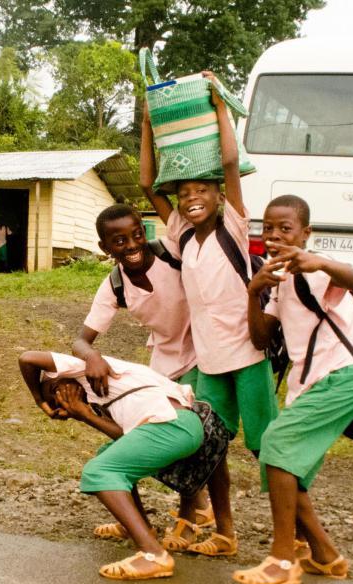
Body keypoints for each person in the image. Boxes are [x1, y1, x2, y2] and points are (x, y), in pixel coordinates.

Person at [139, 71, 278, 557]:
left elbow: (229, 160)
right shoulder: (183, 236)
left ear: (220, 195)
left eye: (202, 189)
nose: (192, 197)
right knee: (208, 447)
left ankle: (299, 538)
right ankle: (225, 532)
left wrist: (219, 103)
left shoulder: (234, 227)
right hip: (210, 363)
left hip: (248, 358)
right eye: (184, 193)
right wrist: (146, 120)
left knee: (267, 447)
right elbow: (144, 181)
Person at [233, 194, 353, 584]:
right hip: (309, 385)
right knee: (293, 474)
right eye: (267, 228)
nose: (274, 235)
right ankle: (326, 557)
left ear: (306, 233)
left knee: (275, 444)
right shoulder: (280, 282)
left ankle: (282, 559)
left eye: (285, 228)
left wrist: (321, 261)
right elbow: (261, 338)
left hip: (342, 377)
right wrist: (252, 292)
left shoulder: (315, 269)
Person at [72, 203, 216, 548]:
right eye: (119, 241)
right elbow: (81, 338)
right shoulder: (116, 284)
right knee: (143, 435)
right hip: (165, 362)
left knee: (196, 438)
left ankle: (191, 516)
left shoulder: (171, 252)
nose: (132, 245)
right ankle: (134, 518)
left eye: (137, 235)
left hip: (205, 352)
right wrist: (92, 356)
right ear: (105, 249)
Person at [18, 350, 207, 580]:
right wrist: (85, 415)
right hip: (179, 425)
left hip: (174, 426)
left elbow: (26, 359)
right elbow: (124, 437)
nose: (60, 401)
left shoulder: (80, 367)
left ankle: (153, 555)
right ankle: (140, 529)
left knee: (99, 470)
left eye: (54, 394)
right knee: (107, 454)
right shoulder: (99, 392)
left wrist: (40, 400)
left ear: (57, 376)